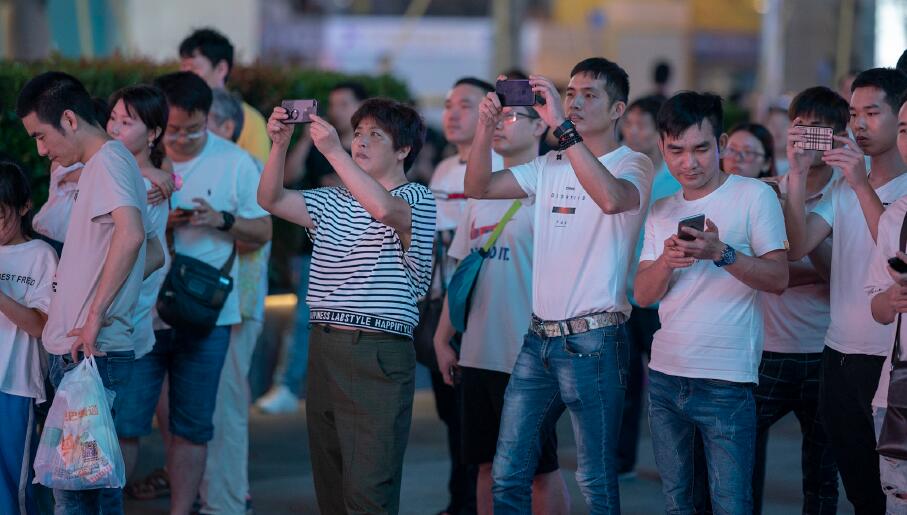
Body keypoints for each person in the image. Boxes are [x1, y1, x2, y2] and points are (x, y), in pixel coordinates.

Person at [465, 57, 655, 513]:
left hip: (597, 339)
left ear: (617, 110)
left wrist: (561, 129)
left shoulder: (634, 163)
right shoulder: (549, 163)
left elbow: (612, 199)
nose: (575, 103)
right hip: (538, 339)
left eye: (590, 95)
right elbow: (479, 187)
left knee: (596, 479)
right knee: (508, 471)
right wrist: (484, 128)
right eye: (570, 94)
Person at [257, 97, 435, 514]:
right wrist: (279, 145)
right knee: (331, 478)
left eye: (376, 135)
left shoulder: (417, 197)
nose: (361, 141)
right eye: (357, 133)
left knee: (369, 485)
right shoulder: (333, 199)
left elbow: (383, 209)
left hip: (376, 349)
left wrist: (334, 152)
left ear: (404, 149)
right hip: (325, 343)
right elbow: (270, 199)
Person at [117, 71, 270, 515]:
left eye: (193, 129)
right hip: (141, 314)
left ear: (209, 118)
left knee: (193, 426)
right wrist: (162, 221)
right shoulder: (126, 158)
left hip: (205, 316)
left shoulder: (236, 162)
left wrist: (221, 220)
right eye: (173, 129)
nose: (181, 139)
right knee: (125, 424)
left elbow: (262, 231)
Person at [635, 91, 789, 513]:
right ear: (662, 147)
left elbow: (778, 278)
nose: (689, 162)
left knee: (731, 504)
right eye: (676, 150)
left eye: (701, 148)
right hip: (666, 376)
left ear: (720, 143)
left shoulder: (754, 195)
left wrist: (722, 253)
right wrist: (667, 262)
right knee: (679, 503)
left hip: (726, 379)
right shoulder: (662, 209)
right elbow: (643, 294)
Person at [17, 71, 158, 514]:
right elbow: (153, 252)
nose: (41, 150)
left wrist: (96, 314)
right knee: (92, 487)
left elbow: (133, 236)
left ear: (69, 119)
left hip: (90, 352)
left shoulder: (110, 161)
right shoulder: (103, 164)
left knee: (75, 494)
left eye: (41, 136)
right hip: (86, 350)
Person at [432, 98, 569, 515]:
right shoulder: (480, 191)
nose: (499, 125)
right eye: (496, 116)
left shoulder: (552, 188)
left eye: (511, 117)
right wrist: (443, 338)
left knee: (539, 469)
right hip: (477, 353)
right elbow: (462, 272)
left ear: (540, 127)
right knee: (486, 466)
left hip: (528, 355)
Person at [784, 67, 907, 514]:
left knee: (892, 491)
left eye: (872, 113)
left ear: (901, 116)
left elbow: (891, 248)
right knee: (859, 492)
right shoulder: (840, 186)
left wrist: (859, 183)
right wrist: (797, 175)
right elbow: (798, 245)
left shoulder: (899, 189)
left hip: (888, 359)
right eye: (854, 114)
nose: (859, 125)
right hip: (837, 353)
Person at [751, 86, 848, 514]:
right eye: (801, 127)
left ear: (839, 136)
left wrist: (787, 270)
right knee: (741, 463)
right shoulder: (765, 190)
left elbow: (837, 275)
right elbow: (760, 271)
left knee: (823, 477)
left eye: (819, 130)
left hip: (826, 351)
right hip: (766, 349)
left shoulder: (849, 191)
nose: (808, 138)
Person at [255, 80, 369, 415]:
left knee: (354, 322)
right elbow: (286, 179)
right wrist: (303, 139)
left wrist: (342, 181)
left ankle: (345, 390)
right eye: (333, 104)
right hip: (313, 251)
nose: (336, 111)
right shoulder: (317, 144)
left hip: (360, 251)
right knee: (305, 319)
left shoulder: (366, 149)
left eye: (345, 103)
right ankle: (289, 387)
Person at [426, 76, 503, 515]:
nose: (452, 114)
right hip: (444, 305)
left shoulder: (495, 166)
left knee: (473, 422)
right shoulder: (441, 168)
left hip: (479, 308)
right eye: (448, 104)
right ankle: (461, 501)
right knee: (452, 417)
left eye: (465, 105)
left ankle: (470, 504)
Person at [199, 85, 273, 515]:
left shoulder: (242, 166)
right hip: (209, 305)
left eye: (200, 121)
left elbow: (256, 238)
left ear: (227, 126)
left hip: (235, 304)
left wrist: (215, 223)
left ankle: (226, 499)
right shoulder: (206, 165)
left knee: (226, 404)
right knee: (212, 404)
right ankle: (217, 493)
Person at [103, 84, 173, 491]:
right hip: (114, 318)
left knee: (122, 428)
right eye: (112, 118)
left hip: (126, 320)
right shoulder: (131, 173)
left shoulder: (149, 188)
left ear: (154, 133)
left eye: (126, 122)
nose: (114, 128)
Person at [617, 94, 680, 477]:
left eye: (641, 124)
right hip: (625, 293)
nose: (632, 131)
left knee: (667, 387)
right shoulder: (622, 171)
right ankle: (622, 460)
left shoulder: (676, 178)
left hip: (664, 297)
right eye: (629, 123)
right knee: (624, 384)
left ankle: (675, 464)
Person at [0, 161, 57, 515]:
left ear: (24, 207)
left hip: (15, 385)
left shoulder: (40, 256)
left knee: (12, 485)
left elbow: (41, 326)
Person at [866, 89, 907, 515]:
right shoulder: (897, 215)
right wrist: (893, 297)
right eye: (906, 130)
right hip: (897, 395)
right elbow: (877, 309)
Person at [179, 27, 270, 164]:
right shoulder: (175, 112)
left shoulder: (250, 121)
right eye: (183, 66)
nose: (185, 75)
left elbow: (258, 174)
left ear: (221, 69)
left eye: (193, 67)